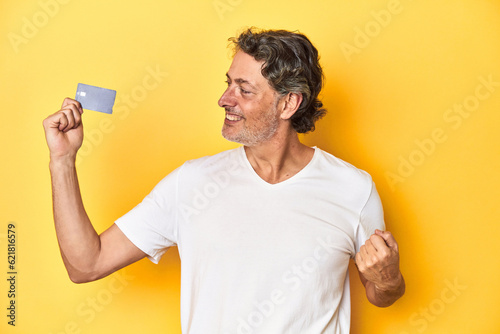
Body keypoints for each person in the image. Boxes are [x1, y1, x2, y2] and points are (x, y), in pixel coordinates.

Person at [43, 28, 405, 333]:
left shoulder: (352, 189)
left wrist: (388, 278)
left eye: (244, 90)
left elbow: (380, 294)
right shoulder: (192, 183)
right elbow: (86, 264)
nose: (224, 99)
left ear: (288, 104)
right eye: (229, 83)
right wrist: (62, 160)